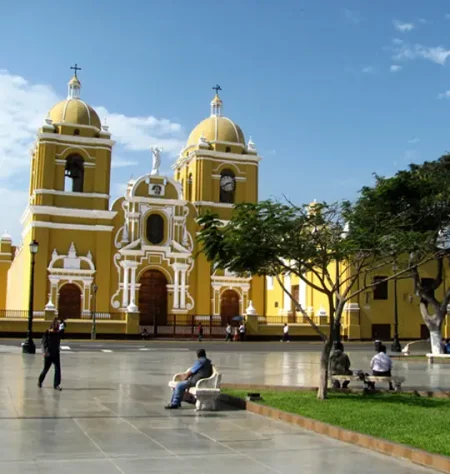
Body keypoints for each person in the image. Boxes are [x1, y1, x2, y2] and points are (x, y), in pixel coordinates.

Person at [38, 318, 62, 391]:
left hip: (56, 353)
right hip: (48, 354)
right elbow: (43, 343)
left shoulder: (58, 333)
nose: (56, 330)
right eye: (56, 328)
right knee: (46, 369)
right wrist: (44, 352)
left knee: (58, 369)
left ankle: (56, 384)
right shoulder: (47, 333)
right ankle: (40, 381)